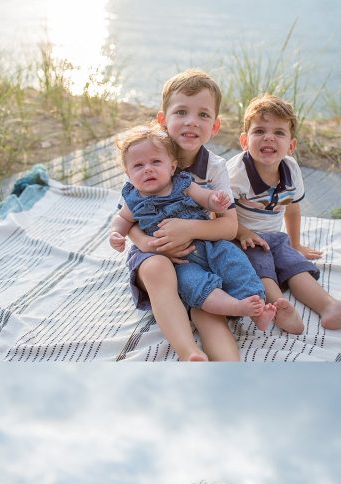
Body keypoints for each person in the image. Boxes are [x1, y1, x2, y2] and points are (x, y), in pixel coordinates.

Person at [111, 125, 289, 332]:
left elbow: (205, 198)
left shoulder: (183, 183)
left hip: (210, 243)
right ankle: (236, 307)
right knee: (193, 284)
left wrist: (216, 201)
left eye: (156, 162)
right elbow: (122, 219)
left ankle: (255, 305)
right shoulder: (133, 199)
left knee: (236, 261)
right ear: (128, 174)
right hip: (179, 259)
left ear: (172, 166)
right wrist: (116, 233)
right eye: (138, 166)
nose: (147, 169)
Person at [228, 94, 341, 334]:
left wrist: (295, 244)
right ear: (245, 141)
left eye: (279, 133)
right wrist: (243, 232)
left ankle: (330, 307)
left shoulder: (290, 169)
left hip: (274, 237)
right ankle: (280, 307)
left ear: (291, 145)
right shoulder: (236, 175)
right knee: (262, 269)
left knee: (296, 265)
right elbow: (218, 215)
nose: (269, 137)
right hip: (240, 238)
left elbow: (292, 208)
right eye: (259, 131)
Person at [122, 70, 242, 361]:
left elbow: (229, 227)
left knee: (206, 301)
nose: (191, 121)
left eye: (202, 115)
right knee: (156, 270)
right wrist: (145, 243)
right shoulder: (146, 154)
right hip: (154, 251)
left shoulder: (214, 167)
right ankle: (189, 353)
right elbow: (126, 218)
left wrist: (187, 229)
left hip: (195, 252)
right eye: (181, 112)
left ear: (214, 126)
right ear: (162, 120)